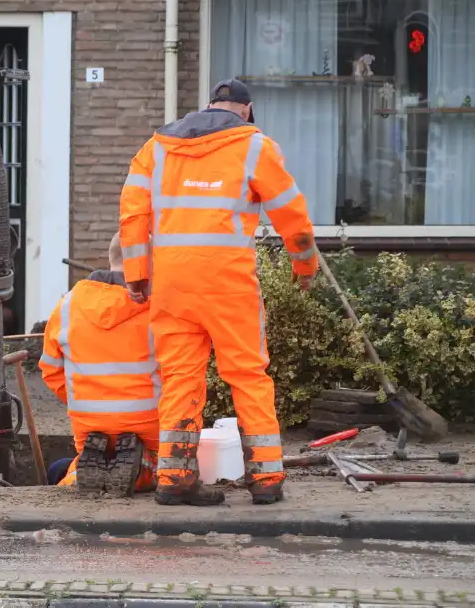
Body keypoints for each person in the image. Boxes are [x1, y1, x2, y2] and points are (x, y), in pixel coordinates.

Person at [118, 79, 318, 506]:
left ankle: (174, 476)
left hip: (172, 286)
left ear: (208, 105)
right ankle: (265, 479)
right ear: (246, 110)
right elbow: (292, 215)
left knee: (179, 377)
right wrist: (305, 267)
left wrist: (136, 275)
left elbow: (133, 214)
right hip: (228, 285)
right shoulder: (255, 146)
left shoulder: (155, 148)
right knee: (247, 374)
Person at [39, 233, 159, 496]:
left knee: (61, 468)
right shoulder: (160, 308)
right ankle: (142, 468)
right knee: (162, 468)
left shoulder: (68, 305)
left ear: (111, 258)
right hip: (150, 428)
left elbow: (50, 369)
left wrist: (85, 397)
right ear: (149, 262)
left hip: (89, 426)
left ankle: (77, 474)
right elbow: (180, 370)